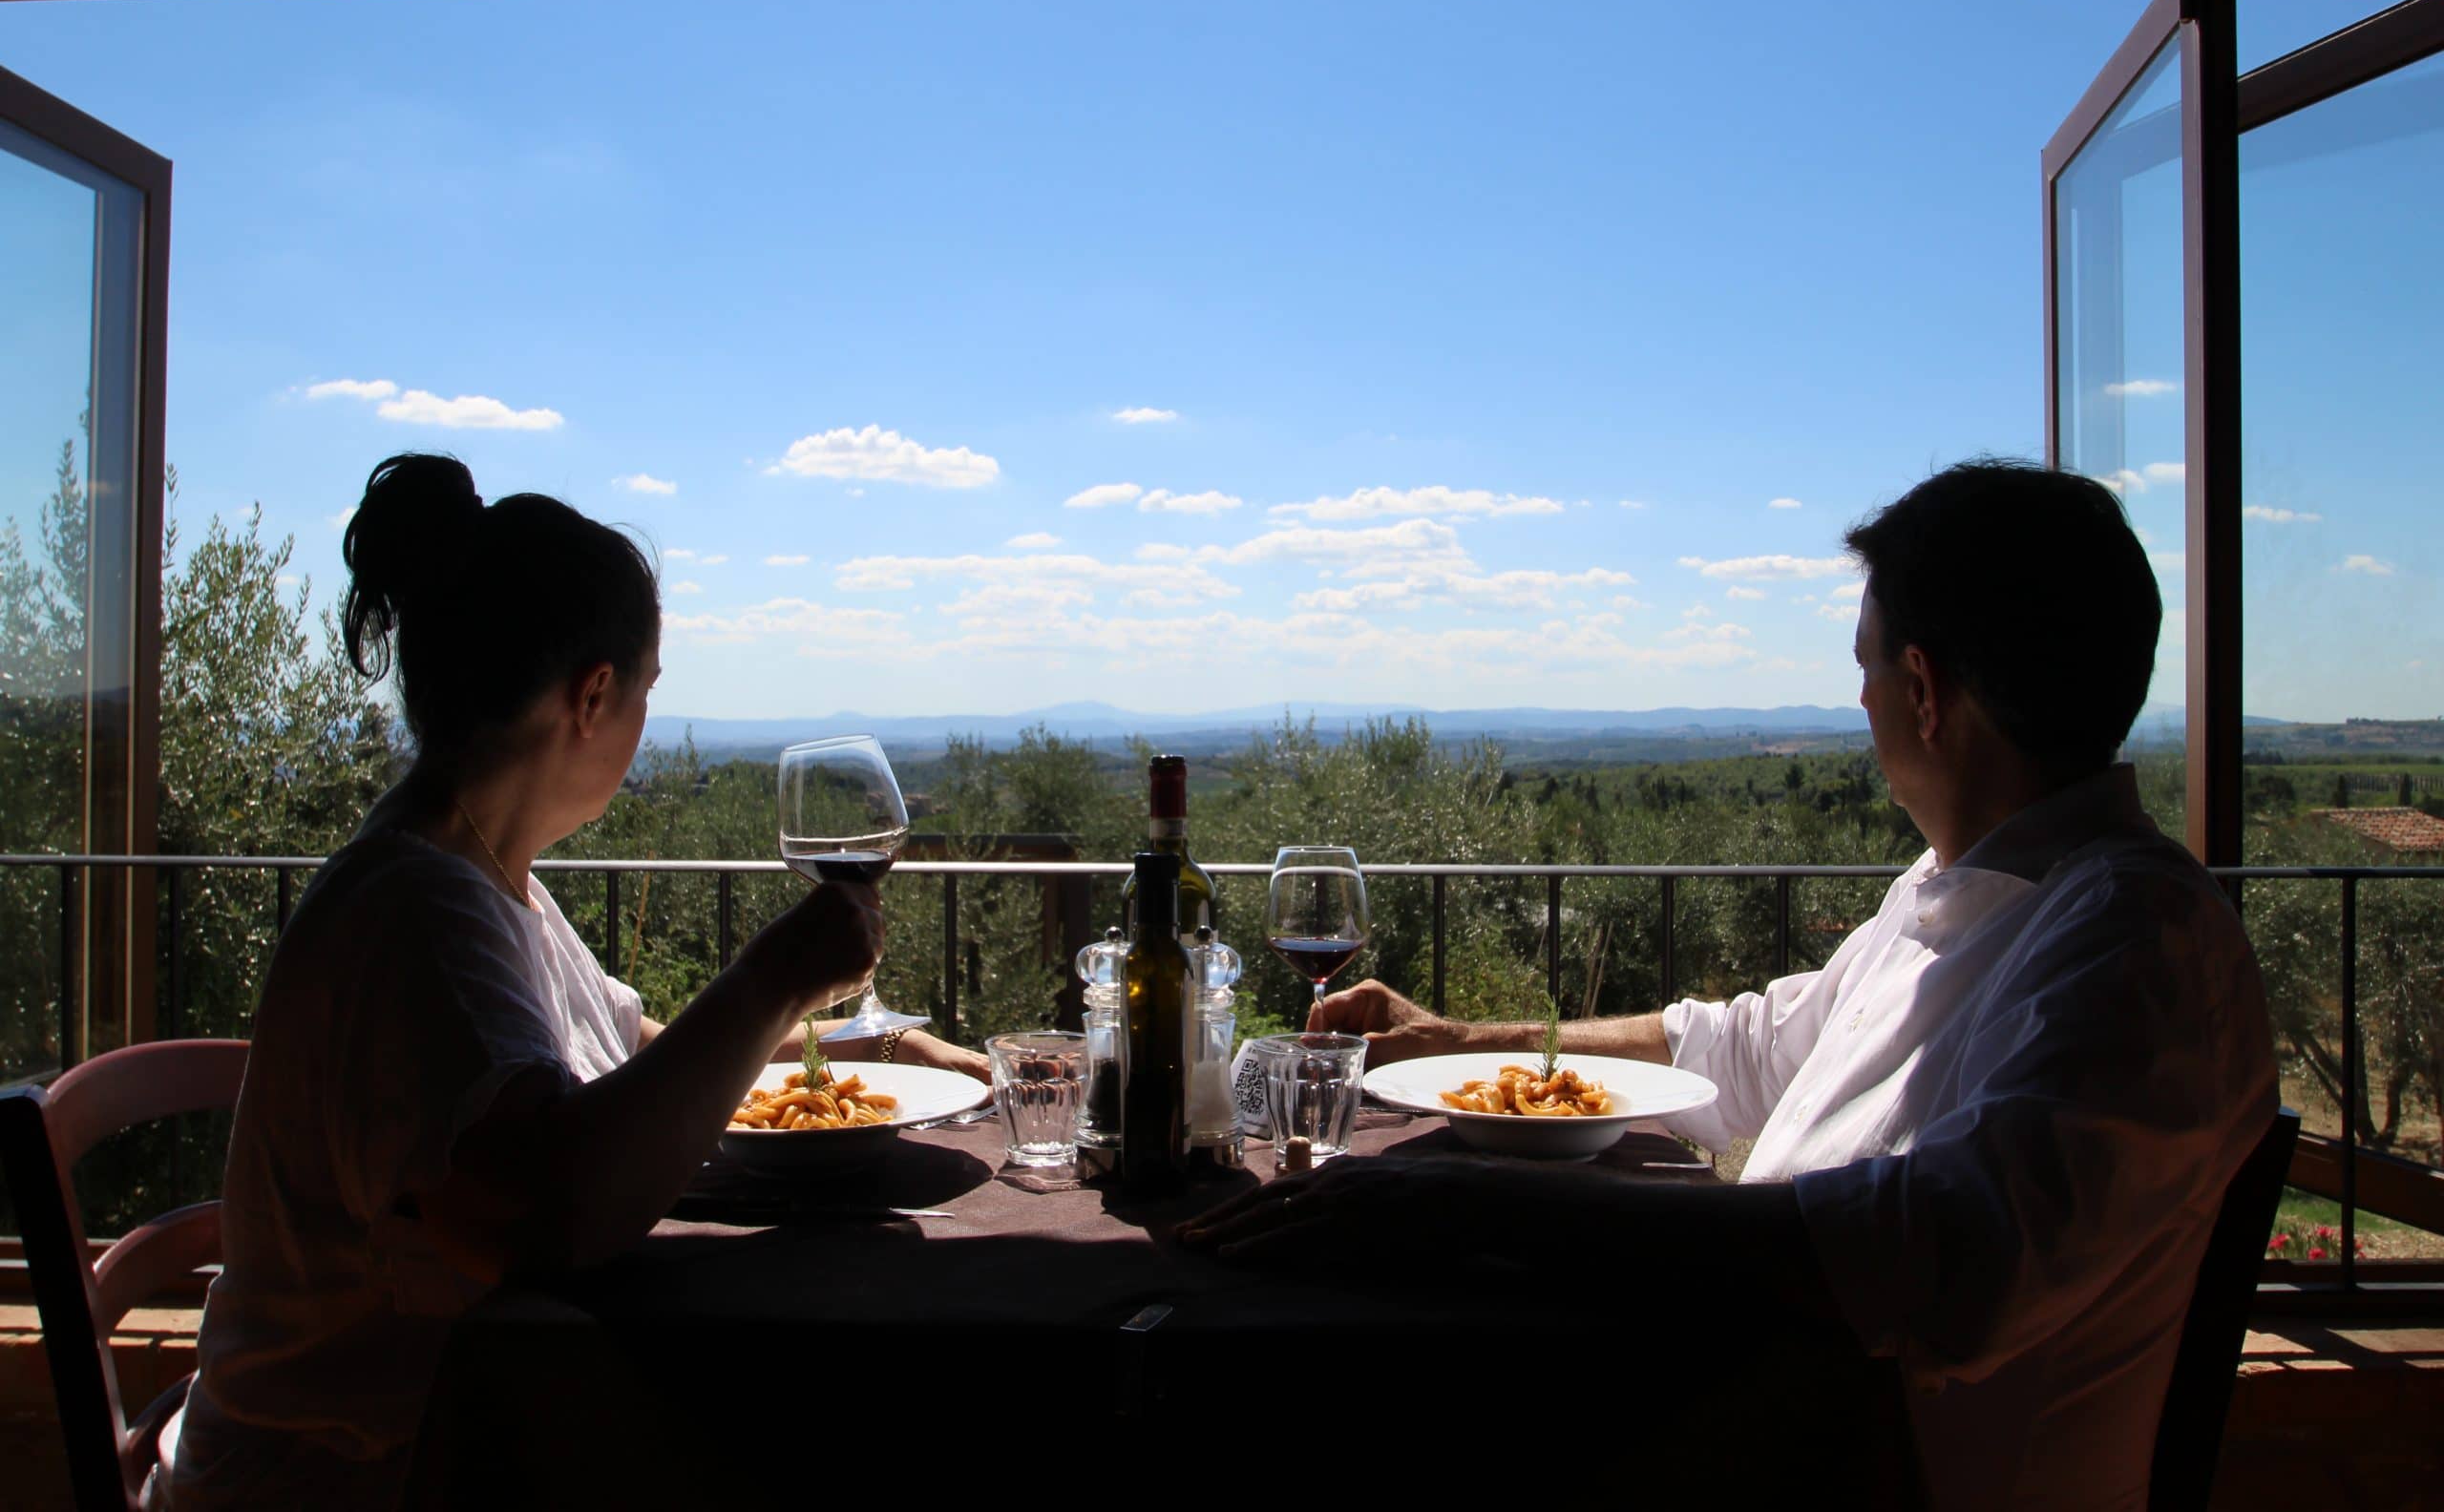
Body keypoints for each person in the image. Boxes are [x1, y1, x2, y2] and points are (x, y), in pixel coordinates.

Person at [1184, 459, 2277, 1512]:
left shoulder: (2139, 939)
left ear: (1924, 691)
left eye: (1864, 664)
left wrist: (1474, 1203)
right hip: (1753, 1430)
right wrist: (1461, 1040)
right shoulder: (1960, 889)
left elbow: (1950, 1256)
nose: (1857, 701)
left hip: (1863, 1481)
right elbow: (1744, 1049)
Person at [159, 453, 984, 1511]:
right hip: (365, 1476)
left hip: (469, 1435)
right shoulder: (414, 914)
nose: (642, 729)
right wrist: (774, 974)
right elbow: (550, 1217)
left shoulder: (483, 883)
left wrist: (877, 1042)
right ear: (594, 696)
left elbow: (640, 1065)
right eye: (645, 692)